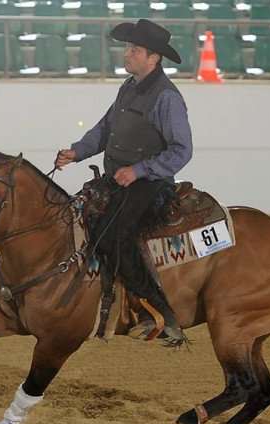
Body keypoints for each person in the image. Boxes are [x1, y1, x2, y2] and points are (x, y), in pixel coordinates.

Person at [55, 19, 193, 345]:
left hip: (149, 182)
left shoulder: (167, 98)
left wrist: (140, 169)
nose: (127, 53)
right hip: (118, 180)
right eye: (127, 47)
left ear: (154, 58)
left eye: (135, 49)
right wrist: (77, 151)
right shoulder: (128, 87)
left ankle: (160, 314)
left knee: (114, 234)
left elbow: (182, 150)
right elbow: (105, 130)